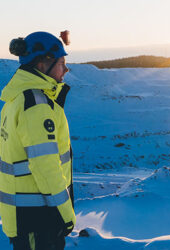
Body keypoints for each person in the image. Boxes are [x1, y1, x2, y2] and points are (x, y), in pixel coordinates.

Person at [0, 31, 75, 249]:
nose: (66, 69)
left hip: (25, 217)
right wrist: (66, 214)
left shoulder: (16, 100)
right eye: (61, 62)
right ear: (43, 64)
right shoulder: (36, 106)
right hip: (39, 218)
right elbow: (46, 167)